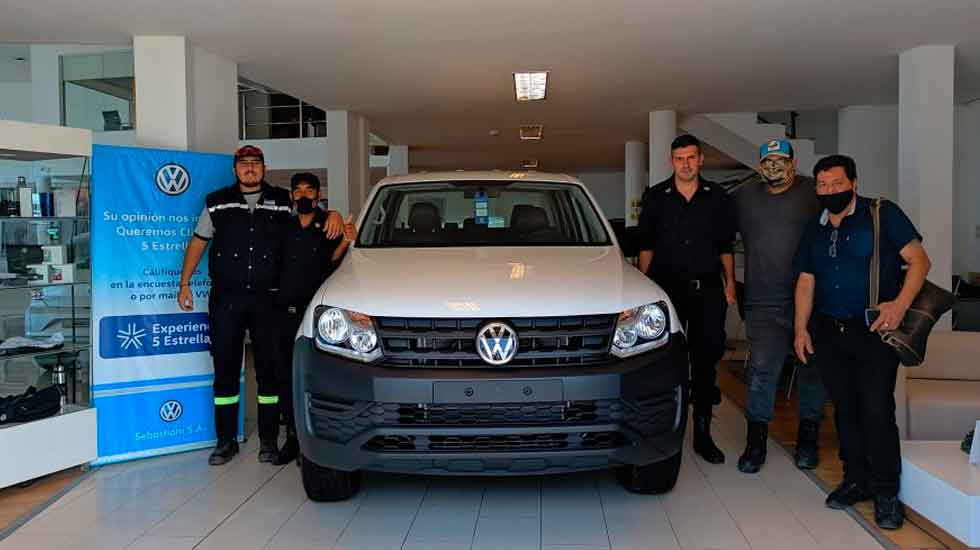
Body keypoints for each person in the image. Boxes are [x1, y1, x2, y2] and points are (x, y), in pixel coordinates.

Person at [177, 145, 344, 465]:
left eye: (255, 163)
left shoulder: (282, 201)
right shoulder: (217, 201)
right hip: (227, 297)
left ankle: (269, 440)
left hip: (269, 299)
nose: (250, 168)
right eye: (244, 164)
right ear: (235, 169)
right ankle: (225, 441)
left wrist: (333, 213)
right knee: (224, 369)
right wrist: (184, 283)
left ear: (264, 168)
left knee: (269, 370)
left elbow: (314, 215)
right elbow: (199, 241)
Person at [793, 154, 931, 529]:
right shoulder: (815, 229)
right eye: (822, 185)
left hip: (873, 333)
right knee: (846, 410)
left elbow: (919, 260)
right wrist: (800, 329)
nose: (829, 191)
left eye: (836, 184)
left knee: (876, 412)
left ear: (854, 182)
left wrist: (900, 305)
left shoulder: (882, 214)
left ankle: (886, 492)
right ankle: (855, 480)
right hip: (829, 332)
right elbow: (806, 281)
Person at [637, 134, 737, 464]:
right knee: (667, 359)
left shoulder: (718, 198)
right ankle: (666, 429)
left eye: (691, 157)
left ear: (701, 159)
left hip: (708, 289)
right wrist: (641, 286)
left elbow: (726, 246)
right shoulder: (655, 197)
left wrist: (730, 284)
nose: (686, 163)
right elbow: (646, 246)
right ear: (671, 161)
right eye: (680, 158)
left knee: (706, 358)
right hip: (667, 290)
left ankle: (704, 434)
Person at [734, 139, 826, 474]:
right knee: (761, 373)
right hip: (763, 302)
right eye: (768, 161)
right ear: (760, 166)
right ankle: (755, 443)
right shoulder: (744, 197)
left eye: (782, 160)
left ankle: (807, 440)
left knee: (811, 373)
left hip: (813, 302)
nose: (775, 166)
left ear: (794, 162)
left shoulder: (815, 192)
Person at [273, 172, 354, 465]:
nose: (304, 195)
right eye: (298, 190)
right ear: (292, 196)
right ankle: (292, 438)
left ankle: (316, 436)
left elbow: (332, 262)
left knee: (312, 374)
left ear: (319, 195)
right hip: (282, 313)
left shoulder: (327, 225)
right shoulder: (281, 225)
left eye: (310, 190)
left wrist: (345, 241)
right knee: (284, 375)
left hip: (316, 316)